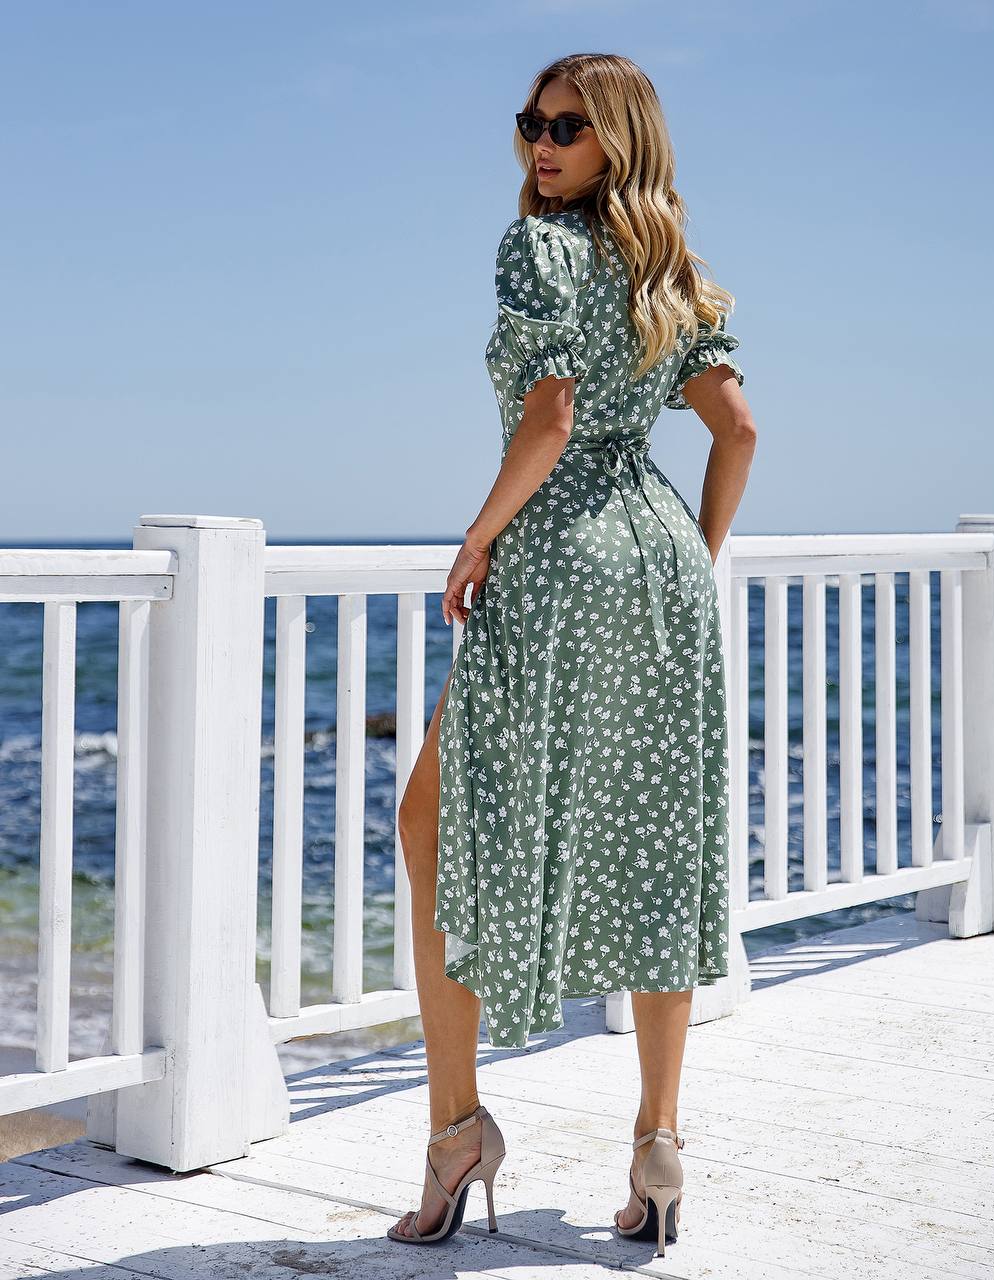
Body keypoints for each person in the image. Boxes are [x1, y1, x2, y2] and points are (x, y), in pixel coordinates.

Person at [387, 52, 756, 1254]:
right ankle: (658, 1146)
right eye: (531, 125)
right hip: (656, 559)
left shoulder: (536, 250)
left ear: (615, 142)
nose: (540, 147)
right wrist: (689, 555)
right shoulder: (670, 266)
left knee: (431, 821)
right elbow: (737, 427)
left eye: (568, 129)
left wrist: (475, 537)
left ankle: (457, 1133)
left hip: (551, 561)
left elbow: (546, 416)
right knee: (654, 838)